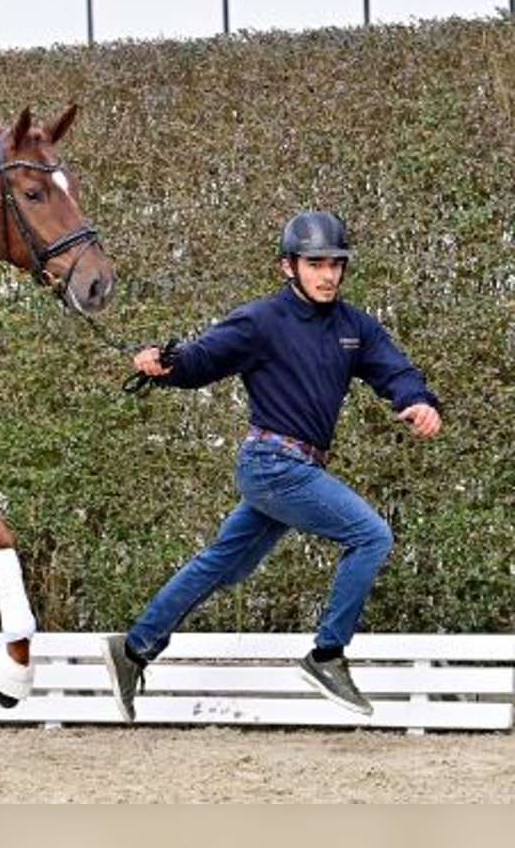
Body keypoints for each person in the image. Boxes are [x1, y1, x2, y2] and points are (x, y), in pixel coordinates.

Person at [102, 210, 442, 720]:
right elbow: (201, 359)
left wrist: (418, 400)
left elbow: (394, 369)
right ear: (289, 267)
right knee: (372, 535)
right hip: (272, 463)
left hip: (296, 470)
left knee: (225, 563)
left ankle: (133, 649)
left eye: (336, 264)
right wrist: (165, 364)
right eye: (315, 264)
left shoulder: (355, 328)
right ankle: (327, 656)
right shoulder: (262, 321)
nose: (328, 275)